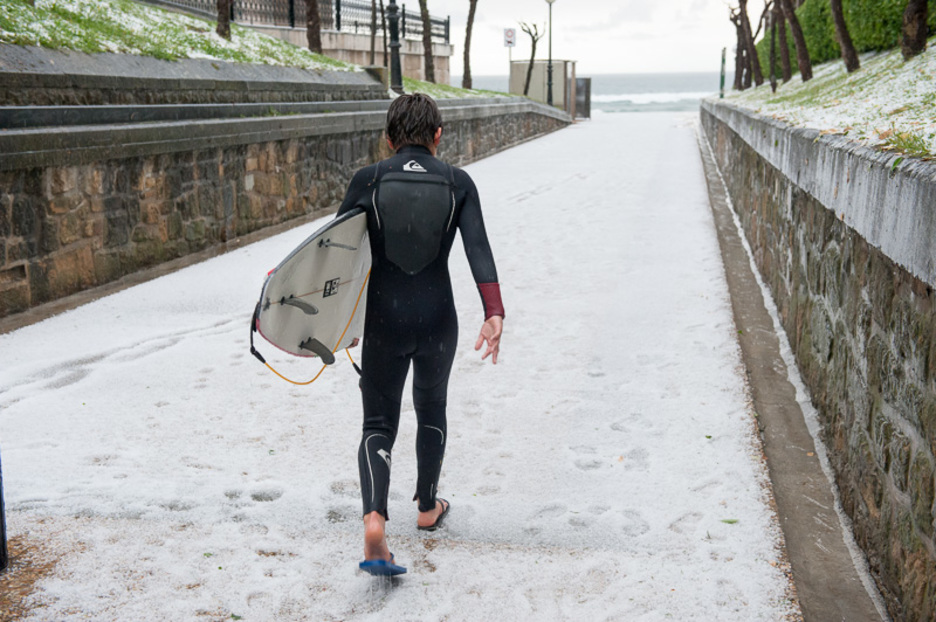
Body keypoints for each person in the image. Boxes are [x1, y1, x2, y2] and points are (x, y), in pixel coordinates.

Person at [336, 93, 504, 576]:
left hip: (382, 320)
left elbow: (337, 252)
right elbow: (479, 249)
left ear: (388, 140)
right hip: (438, 319)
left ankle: (374, 520)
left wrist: (331, 322)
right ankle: (428, 507)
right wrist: (493, 312)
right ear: (438, 136)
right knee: (432, 407)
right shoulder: (458, 182)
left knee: (377, 423)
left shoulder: (368, 179)